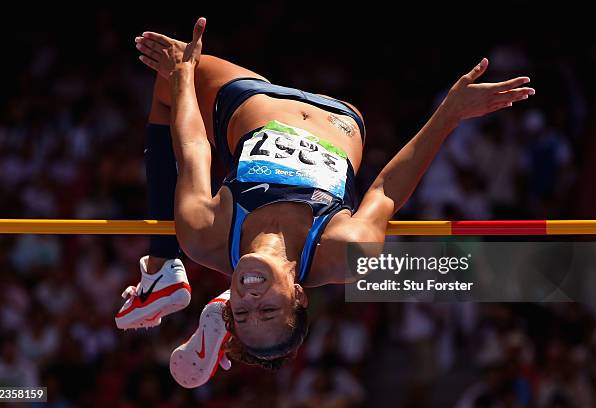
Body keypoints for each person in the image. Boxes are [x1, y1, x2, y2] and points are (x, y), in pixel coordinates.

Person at [117, 17, 535, 370]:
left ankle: (163, 261)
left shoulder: (204, 235)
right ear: (297, 294)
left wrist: (184, 75)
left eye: (242, 311)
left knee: (167, 83)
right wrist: (450, 113)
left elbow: (192, 146)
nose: (253, 299)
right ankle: (161, 270)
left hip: (249, 102)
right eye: (268, 309)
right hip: (340, 117)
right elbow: (388, 189)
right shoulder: (346, 249)